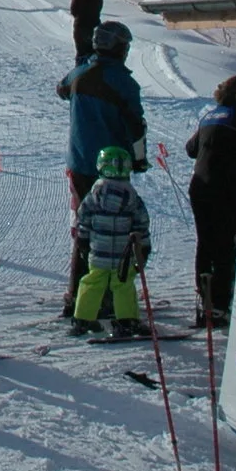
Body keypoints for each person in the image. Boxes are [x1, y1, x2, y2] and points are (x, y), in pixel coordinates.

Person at [55, 20, 147, 319]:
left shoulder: (82, 72)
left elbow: (61, 88)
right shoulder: (122, 82)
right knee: (114, 229)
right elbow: (136, 126)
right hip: (112, 165)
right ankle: (106, 295)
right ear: (119, 47)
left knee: (85, 226)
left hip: (80, 162)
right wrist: (139, 159)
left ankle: (78, 294)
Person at [186, 76, 236, 328]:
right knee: (226, 245)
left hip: (200, 185)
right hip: (225, 187)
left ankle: (204, 299)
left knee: (206, 242)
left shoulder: (211, 115)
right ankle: (219, 304)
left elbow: (191, 148)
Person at [69, 145, 153, 338]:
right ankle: (126, 320)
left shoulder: (94, 195)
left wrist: (82, 239)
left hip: (99, 252)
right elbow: (141, 224)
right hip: (123, 255)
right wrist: (144, 247)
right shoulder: (132, 198)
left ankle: (83, 318)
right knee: (123, 284)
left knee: (92, 282)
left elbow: (83, 219)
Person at [69, 0, 105, 65]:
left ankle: (79, 75)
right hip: (94, 26)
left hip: (80, 26)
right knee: (94, 53)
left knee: (81, 53)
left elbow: (73, 9)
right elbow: (99, 8)